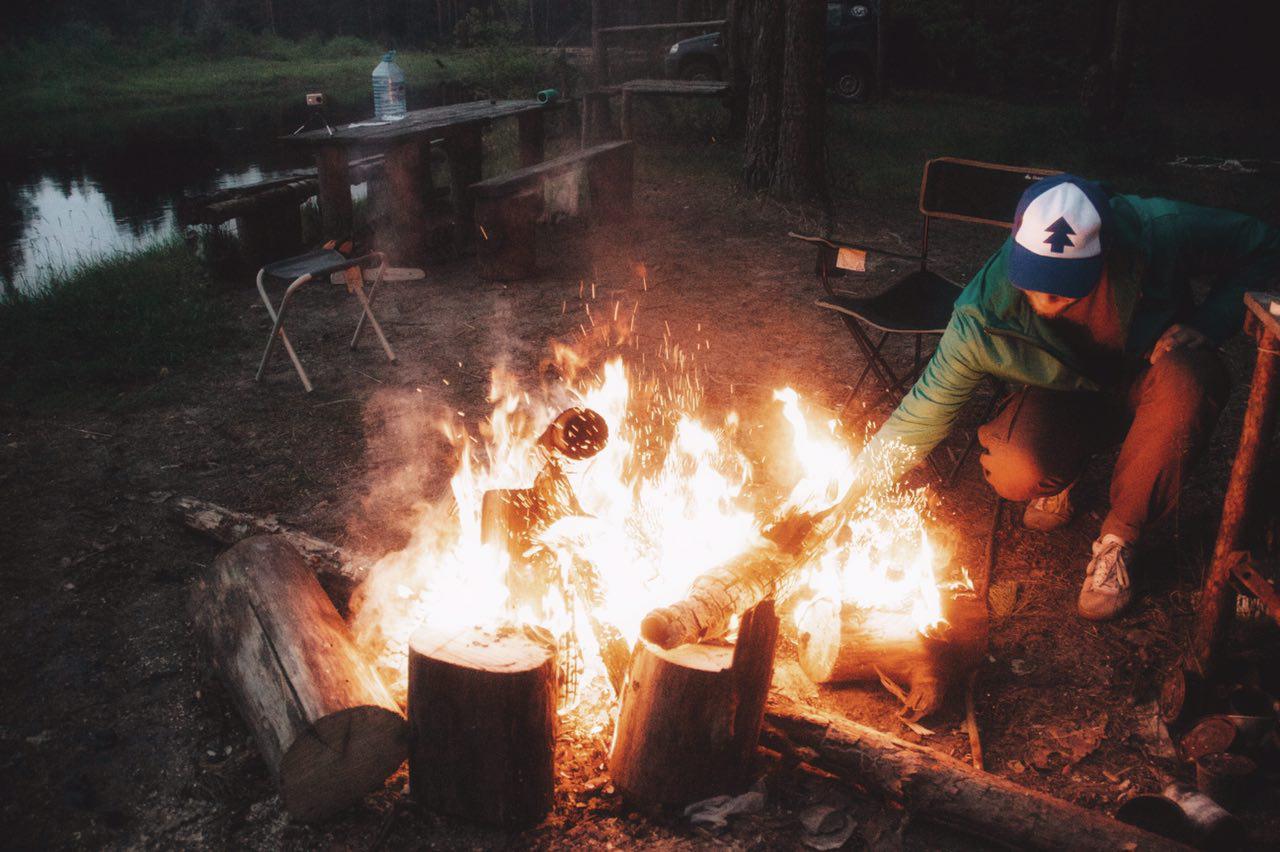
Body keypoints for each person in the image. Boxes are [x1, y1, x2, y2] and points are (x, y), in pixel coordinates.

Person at [853, 174, 1280, 621]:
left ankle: (1121, 538)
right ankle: (1064, 474)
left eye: (1063, 280)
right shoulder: (983, 315)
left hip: (1154, 378)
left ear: (1105, 252)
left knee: (1189, 378)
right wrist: (849, 488)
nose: (1044, 294)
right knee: (1014, 469)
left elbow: (1265, 244)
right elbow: (918, 417)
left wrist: (1210, 323)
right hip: (1071, 394)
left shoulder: (1157, 230)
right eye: (1032, 277)